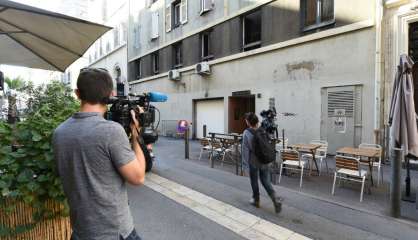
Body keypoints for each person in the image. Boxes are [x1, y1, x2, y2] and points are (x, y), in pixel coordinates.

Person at [53, 68, 146, 240]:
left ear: (77, 93)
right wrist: (136, 136)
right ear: (110, 94)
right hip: (114, 232)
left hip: (80, 231)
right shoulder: (111, 131)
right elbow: (138, 177)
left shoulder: (59, 132)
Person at [242, 112, 282, 213]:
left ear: (248, 122)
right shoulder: (263, 130)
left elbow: (245, 150)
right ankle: (275, 198)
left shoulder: (247, 132)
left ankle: (256, 200)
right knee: (266, 181)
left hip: (253, 161)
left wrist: (245, 165)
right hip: (265, 160)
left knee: (254, 180)